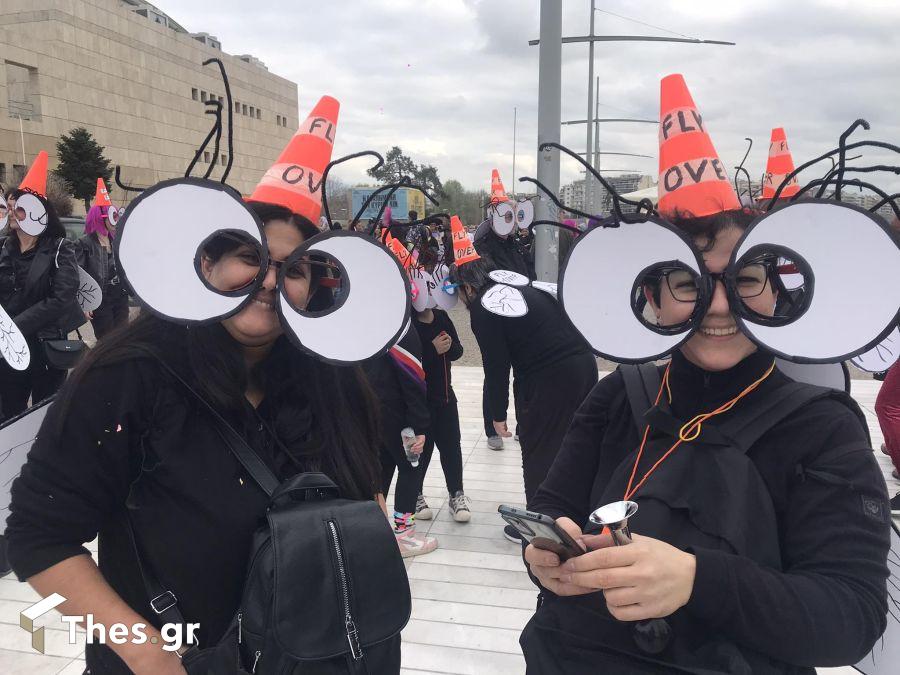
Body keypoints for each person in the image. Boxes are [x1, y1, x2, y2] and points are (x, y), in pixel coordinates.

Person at [520, 73, 891, 674]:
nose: (718, 307)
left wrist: (697, 580)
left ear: (775, 289)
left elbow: (850, 618)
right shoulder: (614, 397)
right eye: (689, 283)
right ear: (653, 298)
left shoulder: (823, 429)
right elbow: (553, 513)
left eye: (743, 280)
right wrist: (546, 554)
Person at [452, 253, 597, 543]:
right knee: (572, 444)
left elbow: (496, 366)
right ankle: (576, 514)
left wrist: (497, 414)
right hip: (584, 366)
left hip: (550, 379)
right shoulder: (521, 287)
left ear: (468, 287)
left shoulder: (484, 307)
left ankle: (540, 529)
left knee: (539, 449)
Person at [0, 177, 84, 422]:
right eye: (10, 206)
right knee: (10, 414)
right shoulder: (4, 248)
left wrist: (15, 326)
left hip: (45, 346)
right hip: (9, 350)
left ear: (39, 212)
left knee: (47, 416)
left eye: (21, 207)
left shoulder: (59, 248)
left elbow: (62, 297)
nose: (13, 212)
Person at [362, 327, 438, 557]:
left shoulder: (370, 323)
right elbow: (412, 378)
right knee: (412, 467)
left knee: (382, 468)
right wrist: (420, 425)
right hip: (399, 413)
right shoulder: (401, 328)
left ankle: (376, 530)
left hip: (371, 408)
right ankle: (404, 535)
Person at [412, 303, 471, 523]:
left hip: (446, 397)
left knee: (451, 447)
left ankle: (456, 494)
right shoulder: (406, 322)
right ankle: (414, 494)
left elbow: (458, 351)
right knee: (419, 451)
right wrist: (431, 348)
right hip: (417, 402)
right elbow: (404, 361)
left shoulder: (442, 316)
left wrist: (449, 347)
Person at [77, 205, 129, 339]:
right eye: (113, 216)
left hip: (120, 296)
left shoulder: (116, 241)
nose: (116, 220)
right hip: (101, 299)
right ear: (100, 218)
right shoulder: (84, 243)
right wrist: (85, 303)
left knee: (123, 338)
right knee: (106, 340)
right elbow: (78, 274)